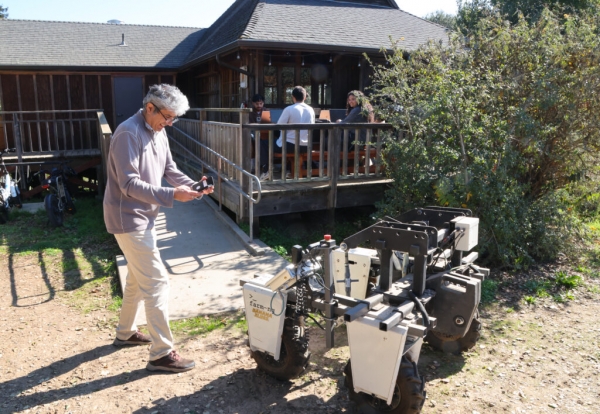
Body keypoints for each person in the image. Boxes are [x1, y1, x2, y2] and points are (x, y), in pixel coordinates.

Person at [103, 84, 213, 373]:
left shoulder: (158, 130)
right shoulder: (128, 133)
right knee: (156, 283)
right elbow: (128, 184)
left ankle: (125, 332)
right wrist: (171, 195)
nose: (170, 123)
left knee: (137, 279)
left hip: (145, 217)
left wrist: (193, 186)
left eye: (173, 118)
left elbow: (169, 169)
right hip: (128, 218)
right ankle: (161, 354)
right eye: (168, 117)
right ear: (150, 108)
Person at [259, 86, 315, 180]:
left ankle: (266, 171)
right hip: (306, 146)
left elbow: (279, 126)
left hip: (289, 145)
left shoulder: (289, 109)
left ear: (293, 97)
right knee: (283, 141)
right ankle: (288, 170)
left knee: (264, 143)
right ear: (305, 97)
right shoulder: (311, 110)